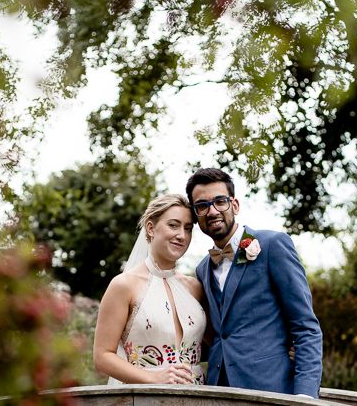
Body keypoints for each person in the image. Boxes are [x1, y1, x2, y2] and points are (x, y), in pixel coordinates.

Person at [187, 168, 323, 398]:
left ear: (235, 205)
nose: (212, 211)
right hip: (217, 391)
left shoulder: (273, 245)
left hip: (272, 390)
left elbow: (305, 326)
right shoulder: (202, 269)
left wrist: (305, 396)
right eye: (202, 206)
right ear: (196, 214)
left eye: (220, 201)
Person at [93, 193, 206, 385]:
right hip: (146, 396)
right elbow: (102, 356)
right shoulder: (124, 285)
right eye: (173, 225)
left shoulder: (195, 287)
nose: (182, 235)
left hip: (197, 395)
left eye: (188, 229)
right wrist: (152, 377)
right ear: (151, 228)